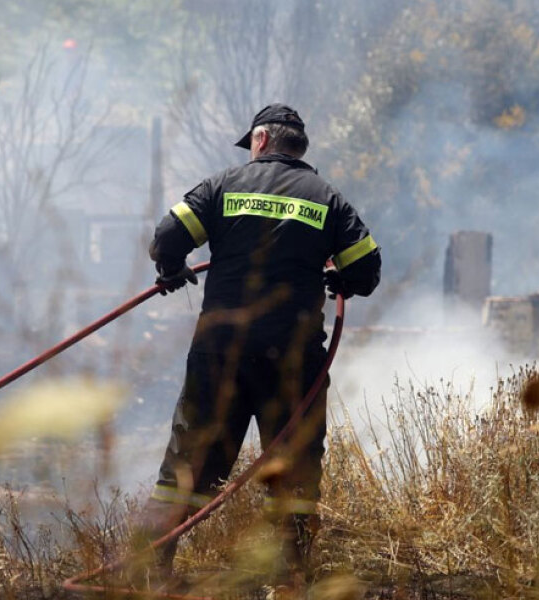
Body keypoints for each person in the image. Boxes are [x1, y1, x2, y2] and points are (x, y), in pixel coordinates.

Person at [141, 103, 381, 590]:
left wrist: (171, 272)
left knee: (190, 462)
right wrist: (337, 277)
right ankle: (287, 579)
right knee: (292, 469)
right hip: (293, 360)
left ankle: (148, 570)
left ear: (260, 140)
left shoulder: (222, 186)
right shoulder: (327, 199)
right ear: (297, 147)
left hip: (219, 355)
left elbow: (167, 236)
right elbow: (367, 270)